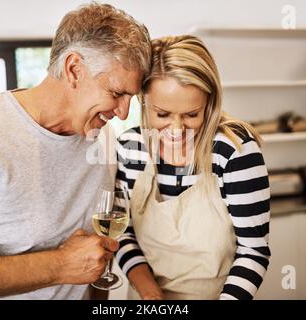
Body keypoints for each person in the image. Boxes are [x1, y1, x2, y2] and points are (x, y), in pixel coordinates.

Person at [0, 3, 151, 299]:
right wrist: (58, 266)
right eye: (116, 93)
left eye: (131, 98)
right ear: (74, 69)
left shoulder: (103, 138)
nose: (124, 113)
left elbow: (94, 256)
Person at [115, 35, 271, 300]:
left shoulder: (233, 151)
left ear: (209, 104)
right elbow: (122, 233)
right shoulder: (131, 147)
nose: (177, 130)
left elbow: (253, 250)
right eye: (162, 114)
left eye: (191, 115)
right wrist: (150, 292)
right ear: (143, 101)